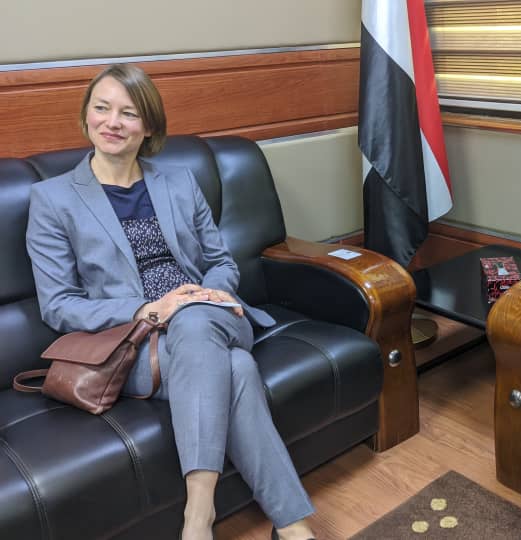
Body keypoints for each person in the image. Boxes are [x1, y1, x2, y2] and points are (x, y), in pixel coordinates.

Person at [25, 64, 317, 540]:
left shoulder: (179, 181)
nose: (112, 122)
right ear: (86, 116)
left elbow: (221, 262)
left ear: (149, 127)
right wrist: (148, 309)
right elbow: (58, 304)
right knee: (237, 368)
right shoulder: (53, 199)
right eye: (102, 108)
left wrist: (208, 294)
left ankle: (198, 516)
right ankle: (292, 524)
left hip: (213, 316)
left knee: (196, 321)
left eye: (128, 113)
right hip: (134, 344)